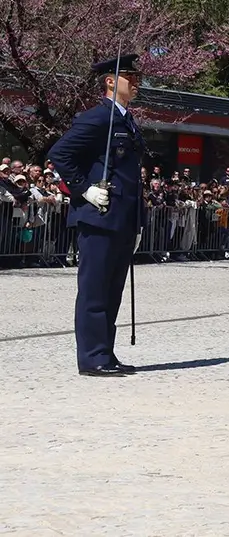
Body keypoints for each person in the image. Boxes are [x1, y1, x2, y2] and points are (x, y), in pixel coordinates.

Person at [48, 54, 148, 376]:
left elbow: (131, 178)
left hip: (121, 219)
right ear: (110, 81)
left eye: (137, 78)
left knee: (112, 291)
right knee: (95, 290)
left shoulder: (126, 120)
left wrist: (137, 223)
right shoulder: (97, 118)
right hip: (99, 217)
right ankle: (92, 358)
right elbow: (60, 153)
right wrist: (85, 189)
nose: (137, 83)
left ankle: (105, 352)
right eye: (131, 77)